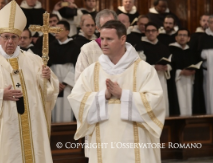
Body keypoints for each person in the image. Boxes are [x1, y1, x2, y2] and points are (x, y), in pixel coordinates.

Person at [68, 20, 165, 163]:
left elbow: (156, 101)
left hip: (136, 139)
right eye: (102, 38)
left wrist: (123, 95)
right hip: (104, 139)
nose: (104, 43)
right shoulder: (91, 71)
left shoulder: (144, 69)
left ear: (123, 39)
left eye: (109, 39)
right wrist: (104, 96)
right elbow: (77, 99)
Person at [0, 0, 59, 163]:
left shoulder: (33, 60)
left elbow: (48, 93)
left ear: (20, 39)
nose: (10, 41)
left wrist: (47, 80)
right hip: (4, 126)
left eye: (14, 37)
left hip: (32, 124)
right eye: (6, 37)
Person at [135, 22, 171, 116]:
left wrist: (166, 67)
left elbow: (170, 63)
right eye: (148, 31)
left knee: (162, 101)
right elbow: (139, 65)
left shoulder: (164, 47)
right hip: (147, 80)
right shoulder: (140, 46)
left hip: (162, 78)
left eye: (153, 31)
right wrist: (154, 67)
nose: (151, 33)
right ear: (145, 33)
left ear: (158, 32)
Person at [49, 21, 80, 122]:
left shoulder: (74, 46)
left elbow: (77, 67)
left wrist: (66, 82)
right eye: (55, 30)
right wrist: (55, 82)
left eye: (60, 29)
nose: (56, 32)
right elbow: (47, 67)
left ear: (67, 31)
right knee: (54, 109)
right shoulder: (50, 46)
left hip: (69, 85)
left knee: (68, 109)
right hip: (54, 82)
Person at [75, 9, 117, 81]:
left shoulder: (125, 48)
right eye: (105, 26)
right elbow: (80, 80)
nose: (109, 29)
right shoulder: (87, 49)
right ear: (98, 28)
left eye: (112, 25)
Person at [169, 29, 197, 116]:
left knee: (189, 101)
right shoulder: (171, 50)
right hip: (177, 82)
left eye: (184, 35)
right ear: (176, 37)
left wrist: (193, 71)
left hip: (189, 81)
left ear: (188, 38)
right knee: (179, 102)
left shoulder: (192, 52)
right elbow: (169, 67)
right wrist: (180, 72)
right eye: (180, 35)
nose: (182, 37)